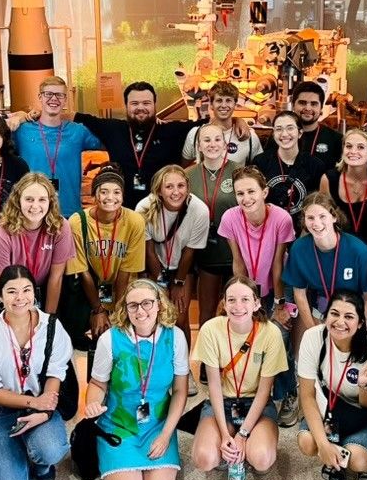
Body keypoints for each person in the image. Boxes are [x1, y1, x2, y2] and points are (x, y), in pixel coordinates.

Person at [0, 265, 72, 480]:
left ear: (34, 293)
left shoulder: (51, 326)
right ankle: (17, 451)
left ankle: (39, 460)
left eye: (26, 290)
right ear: (0, 296)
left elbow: (56, 372)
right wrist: (32, 403)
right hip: (0, 410)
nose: (20, 298)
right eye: (12, 291)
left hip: (39, 403)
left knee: (50, 450)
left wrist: (44, 407)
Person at [84, 280, 189, 480]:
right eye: (133, 306)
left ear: (159, 305)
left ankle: (149, 456)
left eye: (147, 303)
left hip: (158, 424)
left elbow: (180, 391)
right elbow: (97, 384)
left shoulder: (175, 337)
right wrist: (92, 403)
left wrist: (165, 435)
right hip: (119, 425)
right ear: (125, 309)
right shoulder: (110, 339)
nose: (140, 311)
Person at [218, 165, 296, 425]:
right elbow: (237, 260)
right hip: (248, 288)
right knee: (244, 336)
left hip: (276, 288)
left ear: (264, 192)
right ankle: (246, 391)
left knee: (280, 336)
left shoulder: (282, 218)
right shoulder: (230, 217)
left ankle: (287, 394)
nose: (246, 198)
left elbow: (278, 264)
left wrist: (279, 303)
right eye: (240, 193)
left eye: (251, 191)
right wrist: (237, 296)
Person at [297, 291, 367, 480]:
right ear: (325, 317)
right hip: (334, 404)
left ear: (361, 323)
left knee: (356, 459)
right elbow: (307, 394)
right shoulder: (312, 338)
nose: (340, 322)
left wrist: (363, 385)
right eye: (334, 314)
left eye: (349, 316)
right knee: (308, 442)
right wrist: (323, 445)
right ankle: (333, 455)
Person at [191, 277, 288, 475]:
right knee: (205, 459)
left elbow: (264, 391)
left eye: (245, 299)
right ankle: (228, 441)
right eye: (231, 300)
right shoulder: (210, 329)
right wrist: (225, 434)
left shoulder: (271, 333)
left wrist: (242, 435)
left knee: (261, 460)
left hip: (256, 404)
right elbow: (214, 387)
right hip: (222, 402)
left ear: (257, 303)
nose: (238, 306)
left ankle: (246, 441)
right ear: (224, 304)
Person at [67, 164, 146, 374]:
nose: (110, 197)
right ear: (94, 195)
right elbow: (82, 270)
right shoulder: (77, 221)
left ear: (123, 195)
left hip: (122, 290)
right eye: (104, 191)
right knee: (99, 340)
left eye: (116, 192)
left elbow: (126, 271)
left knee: (123, 341)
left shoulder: (135, 221)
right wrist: (98, 310)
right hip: (90, 291)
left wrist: (118, 312)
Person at [75, 82, 200, 209]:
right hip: (123, 213)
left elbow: (209, 124)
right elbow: (77, 117)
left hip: (163, 212)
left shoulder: (173, 130)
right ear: (126, 106)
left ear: (154, 105)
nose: (140, 107)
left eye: (146, 103)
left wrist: (201, 95)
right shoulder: (114, 129)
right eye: (134, 103)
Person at [0, 172, 76, 321]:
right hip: (8, 290)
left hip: (43, 287)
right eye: (29, 199)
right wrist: (24, 322)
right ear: (18, 200)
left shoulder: (61, 226)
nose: (35, 206)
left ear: (50, 202)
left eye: (42, 200)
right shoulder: (1, 232)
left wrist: (48, 321)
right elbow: (4, 285)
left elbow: (56, 277)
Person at [282, 192, 367, 332]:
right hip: (321, 307)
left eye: (322, 216)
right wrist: (313, 332)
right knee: (305, 350)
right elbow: (299, 294)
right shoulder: (299, 249)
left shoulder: (358, 250)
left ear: (334, 216)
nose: (316, 224)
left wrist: (359, 328)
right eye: (310, 218)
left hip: (354, 309)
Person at [135, 165, 209, 348]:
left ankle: (184, 367)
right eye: (169, 187)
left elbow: (190, 251)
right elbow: (149, 250)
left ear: (188, 187)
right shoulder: (144, 208)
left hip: (182, 267)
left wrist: (178, 283)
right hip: (154, 265)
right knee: (154, 318)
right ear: (159, 190)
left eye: (181, 186)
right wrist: (161, 284)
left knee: (180, 318)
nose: (176, 192)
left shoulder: (199, 210)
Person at [13, 76, 103, 217]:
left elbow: (109, 141)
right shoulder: (22, 131)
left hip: (68, 211)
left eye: (59, 95)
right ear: (40, 97)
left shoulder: (78, 131)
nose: (53, 99)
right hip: (31, 211)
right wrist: (19, 116)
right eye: (48, 94)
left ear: (65, 99)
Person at [186, 123, 239, 344]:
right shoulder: (188, 175)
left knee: (235, 311)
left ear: (226, 144)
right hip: (204, 252)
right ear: (198, 145)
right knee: (206, 313)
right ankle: (208, 364)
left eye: (217, 139)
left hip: (234, 252)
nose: (212, 144)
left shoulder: (238, 172)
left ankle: (233, 360)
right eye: (206, 140)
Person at [320, 128, 367, 257]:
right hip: (340, 248)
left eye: (361, 147)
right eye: (349, 146)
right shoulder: (329, 179)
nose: (353, 151)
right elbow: (325, 221)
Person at [252, 110, 325, 226]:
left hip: (303, 231)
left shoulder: (315, 165)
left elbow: (319, 203)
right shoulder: (260, 162)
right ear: (273, 133)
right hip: (269, 229)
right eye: (279, 129)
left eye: (290, 128)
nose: (284, 134)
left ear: (300, 133)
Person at [182, 80, 261, 166]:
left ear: (235, 104)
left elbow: (259, 170)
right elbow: (185, 170)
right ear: (211, 104)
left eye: (228, 101)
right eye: (219, 100)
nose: (224, 105)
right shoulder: (195, 134)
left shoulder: (249, 137)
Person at [288, 80, 343, 170]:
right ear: (293, 105)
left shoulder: (336, 140)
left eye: (314, 104)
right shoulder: (280, 136)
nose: (308, 108)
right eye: (302, 103)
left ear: (321, 108)